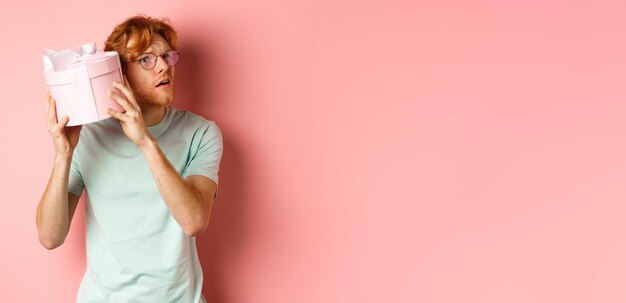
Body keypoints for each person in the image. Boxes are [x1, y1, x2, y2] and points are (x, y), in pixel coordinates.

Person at [36, 15, 223, 303]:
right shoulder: (88, 135)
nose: (164, 66)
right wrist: (63, 155)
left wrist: (145, 142)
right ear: (118, 74)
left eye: (166, 57)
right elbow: (50, 237)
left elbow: (194, 221)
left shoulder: (201, 133)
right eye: (146, 59)